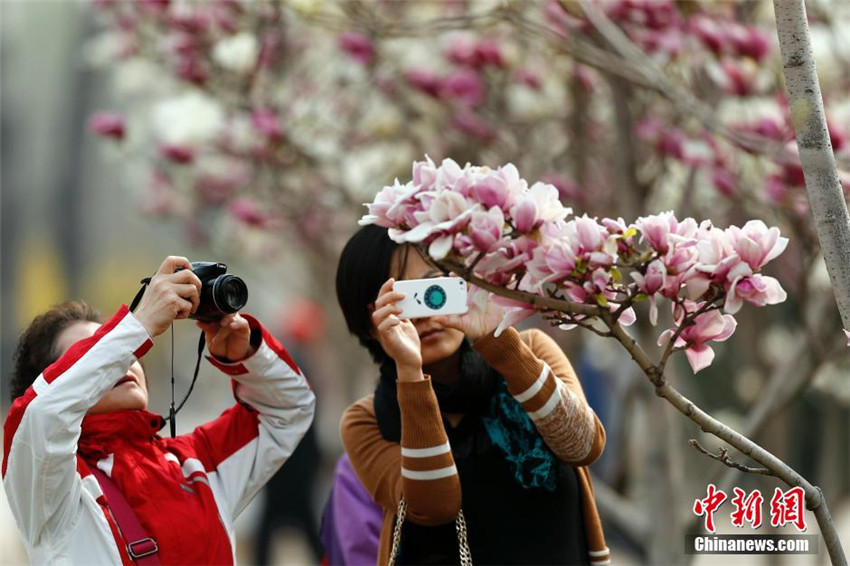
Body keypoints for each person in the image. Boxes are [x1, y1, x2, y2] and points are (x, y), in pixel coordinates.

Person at [3, 255, 316, 565]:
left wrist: (247, 357)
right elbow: (42, 415)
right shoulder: (50, 490)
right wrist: (139, 324)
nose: (123, 361)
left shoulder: (195, 463)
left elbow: (288, 408)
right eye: (96, 353)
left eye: (125, 352)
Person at [336, 225, 610, 566]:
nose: (424, 312)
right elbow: (434, 508)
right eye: (401, 299)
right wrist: (410, 373)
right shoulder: (367, 421)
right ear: (368, 323)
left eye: (434, 286)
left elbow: (584, 444)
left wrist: (499, 342)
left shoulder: (530, 351)